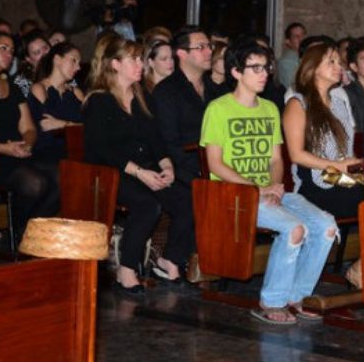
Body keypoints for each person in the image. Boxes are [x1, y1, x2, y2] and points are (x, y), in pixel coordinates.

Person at [201, 38, 336, 324]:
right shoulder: (218, 108)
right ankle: (271, 301)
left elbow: (277, 160)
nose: (264, 73)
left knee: (325, 226)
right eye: (256, 68)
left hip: (268, 191)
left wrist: (274, 185)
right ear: (236, 72)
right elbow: (215, 163)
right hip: (234, 194)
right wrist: (256, 189)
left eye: (267, 67)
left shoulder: (270, 108)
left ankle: (296, 296)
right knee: (294, 228)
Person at [83, 35, 194, 292]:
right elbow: (103, 150)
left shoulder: (142, 95)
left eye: (139, 58)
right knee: (148, 204)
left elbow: (157, 139)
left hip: (145, 169)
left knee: (187, 199)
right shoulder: (99, 101)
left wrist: (167, 166)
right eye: (132, 59)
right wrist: (140, 172)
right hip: (111, 173)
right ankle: (127, 269)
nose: (139, 64)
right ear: (115, 64)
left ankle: (170, 258)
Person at [0, 32, 59, 242]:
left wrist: (27, 144)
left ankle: (30, 232)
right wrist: (4, 148)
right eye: (3, 47)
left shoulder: (13, 87)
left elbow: (28, 127)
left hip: (19, 153)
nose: (9, 53)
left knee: (63, 176)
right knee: (35, 184)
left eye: (11, 50)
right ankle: (19, 229)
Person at [284, 43, 364, 218]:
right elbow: (296, 155)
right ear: (313, 69)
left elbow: (347, 150)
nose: (339, 67)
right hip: (317, 175)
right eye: (331, 62)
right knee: (356, 198)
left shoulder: (339, 103)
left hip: (339, 174)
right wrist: (337, 166)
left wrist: (357, 167)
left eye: (339, 62)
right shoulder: (298, 104)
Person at [152, 26, 215, 187]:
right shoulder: (166, 92)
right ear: (181, 53)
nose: (209, 52)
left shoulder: (217, 90)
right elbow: (169, 144)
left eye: (209, 46)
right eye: (201, 47)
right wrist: (201, 173)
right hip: (184, 174)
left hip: (219, 167)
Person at [27, 42, 84, 164]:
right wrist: (74, 126)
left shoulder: (76, 93)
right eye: (74, 60)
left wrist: (64, 124)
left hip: (77, 155)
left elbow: (91, 127)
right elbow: (46, 126)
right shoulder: (40, 89)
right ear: (57, 59)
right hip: (49, 157)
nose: (78, 67)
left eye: (79, 63)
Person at [13, 30, 50, 98]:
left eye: (45, 48)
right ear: (28, 59)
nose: (44, 54)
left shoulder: (63, 69)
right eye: (37, 52)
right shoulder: (22, 82)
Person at [277, 22, 306, 90]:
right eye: (296, 36)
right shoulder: (286, 62)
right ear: (288, 42)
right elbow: (293, 89)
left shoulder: (305, 56)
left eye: (303, 35)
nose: (301, 39)